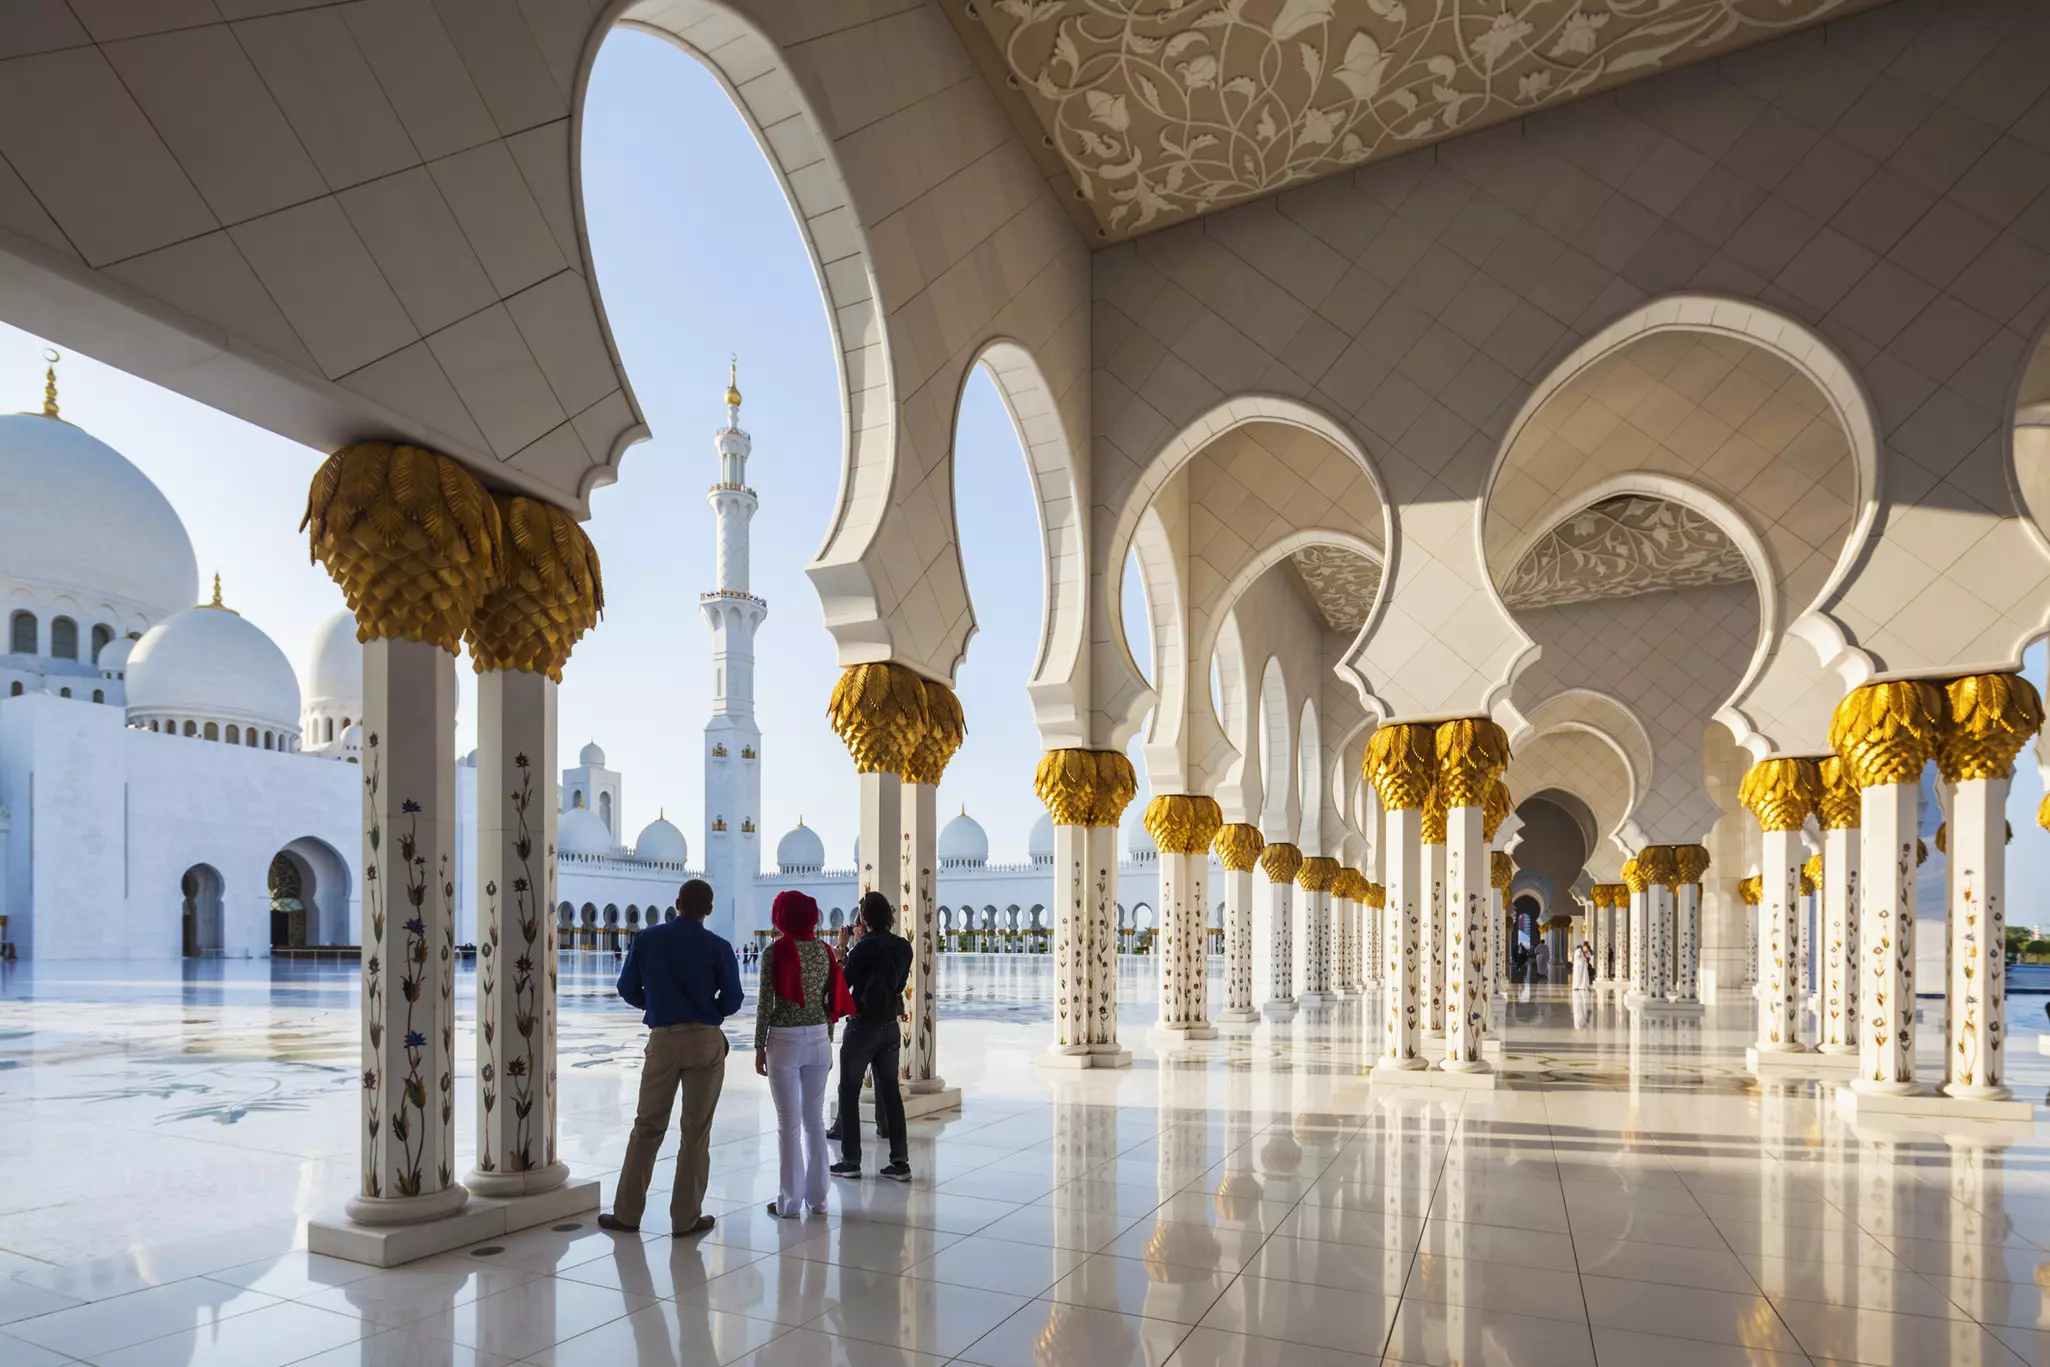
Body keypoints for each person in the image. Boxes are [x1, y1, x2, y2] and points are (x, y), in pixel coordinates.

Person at [600, 879, 742, 1238]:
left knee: (647, 1127)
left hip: (662, 1040)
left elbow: (625, 988)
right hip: (705, 1042)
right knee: (695, 1132)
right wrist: (708, 1010)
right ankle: (685, 1218)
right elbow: (734, 999)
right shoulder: (718, 946)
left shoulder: (649, 939)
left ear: (677, 903)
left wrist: (657, 1004)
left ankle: (627, 1214)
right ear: (709, 909)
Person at [758, 890, 851, 1219]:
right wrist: (827, 1041)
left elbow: (764, 1005)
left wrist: (759, 1046)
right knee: (814, 1122)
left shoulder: (774, 952)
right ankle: (819, 1200)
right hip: (818, 1042)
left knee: (789, 1125)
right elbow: (831, 1005)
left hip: (783, 1043)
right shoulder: (825, 952)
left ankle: (790, 1202)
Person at [831, 891, 913, 1182]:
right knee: (891, 1091)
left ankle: (851, 1160)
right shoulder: (904, 948)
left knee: (849, 1091)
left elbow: (842, 987)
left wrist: (841, 957)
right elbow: (899, 985)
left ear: (864, 919)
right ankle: (900, 1162)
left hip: (863, 1027)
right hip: (890, 1027)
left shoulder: (862, 949)